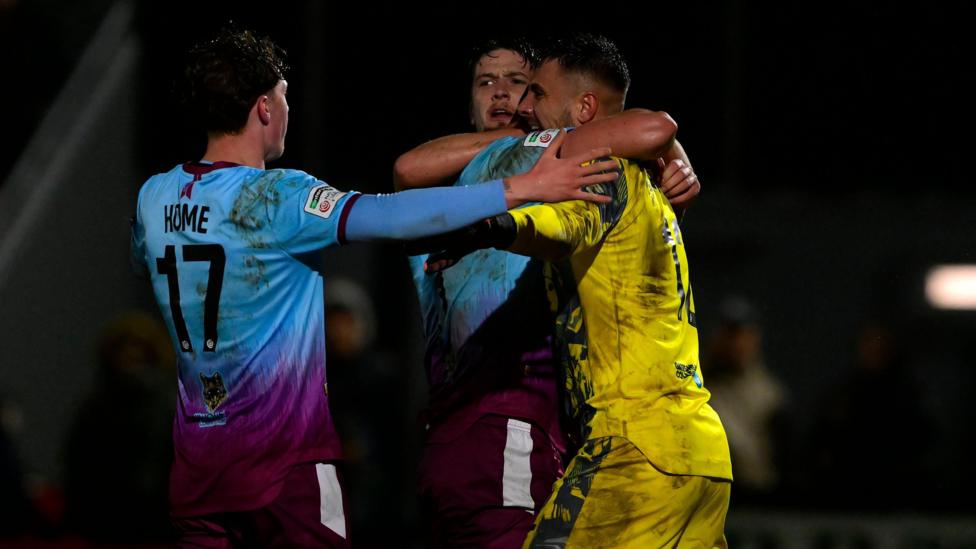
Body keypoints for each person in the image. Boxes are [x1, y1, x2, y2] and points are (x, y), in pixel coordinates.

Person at [129, 27, 618, 548]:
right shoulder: (279, 196)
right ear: (264, 109)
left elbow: (157, 265)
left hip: (196, 470)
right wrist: (523, 187)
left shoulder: (153, 198)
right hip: (284, 470)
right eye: (284, 96)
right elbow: (387, 213)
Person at [416, 34, 732, 547]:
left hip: (634, 445)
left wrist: (485, 228)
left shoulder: (604, 173)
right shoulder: (653, 182)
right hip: (702, 453)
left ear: (584, 107)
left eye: (536, 92)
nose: (524, 107)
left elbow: (562, 227)